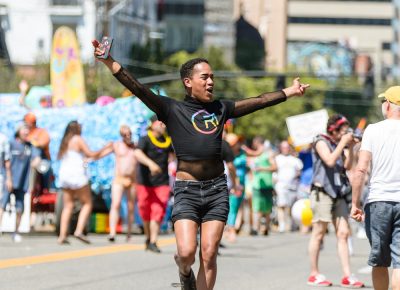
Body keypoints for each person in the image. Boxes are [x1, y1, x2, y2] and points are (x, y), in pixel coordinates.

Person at [93, 39, 309, 290]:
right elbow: (137, 87)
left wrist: (289, 92)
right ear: (188, 82)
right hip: (187, 191)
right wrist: (108, 60)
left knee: (208, 253)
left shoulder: (221, 109)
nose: (210, 82)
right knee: (186, 253)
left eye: (212, 77)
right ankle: (185, 273)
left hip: (217, 191)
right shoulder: (171, 109)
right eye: (204, 77)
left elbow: (259, 100)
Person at [351, 87, 400, 290]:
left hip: (378, 201)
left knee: (379, 260)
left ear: (388, 104)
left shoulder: (373, 129)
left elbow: (361, 169)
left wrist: (355, 204)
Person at [307, 114, 364, 288]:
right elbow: (330, 161)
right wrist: (342, 143)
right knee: (319, 233)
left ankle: (347, 275)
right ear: (334, 129)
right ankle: (314, 273)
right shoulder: (320, 141)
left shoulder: (339, 144)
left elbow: (347, 166)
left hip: (338, 192)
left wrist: (352, 148)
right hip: (322, 192)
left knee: (344, 233)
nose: (346, 133)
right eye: (344, 130)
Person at [57, 121, 111, 244]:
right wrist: (106, 147)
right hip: (77, 173)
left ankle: (62, 235)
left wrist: (106, 151)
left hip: (65, 174)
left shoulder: (66, 141)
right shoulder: (77, 139)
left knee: (68, 206)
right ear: (76, 128)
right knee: (87, 203)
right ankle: (79, 230)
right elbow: (91, 153)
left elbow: (89, 157)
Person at [134, 115, 172, 253]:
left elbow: (177, 156)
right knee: (145, 209)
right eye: (161, 122)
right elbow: (137, 153)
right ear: (152, 124)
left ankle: (153, 240)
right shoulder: (145, 139)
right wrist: (150, 164)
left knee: (158, 210)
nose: (163, 125)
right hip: (144, 181)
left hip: (162, 182)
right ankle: (148, 237)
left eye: (165, 123)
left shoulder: (168, 141)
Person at [0, 125, 41, 242]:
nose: (26, 131)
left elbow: (36, 159)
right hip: (9, 180)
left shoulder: (30, 146)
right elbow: (5, 161)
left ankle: (16, 232)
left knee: (20, 208)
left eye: (28, 129)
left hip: (22, 182)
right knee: (2, 205)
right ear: (18, 131)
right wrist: (8, 179)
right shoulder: (10, 143)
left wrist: (36, 161)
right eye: (24, 129)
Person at [99, 125, 137, 242]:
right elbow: (102, 153)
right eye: (125, 134)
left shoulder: (135, 146)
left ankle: (129, 233)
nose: (128, 136)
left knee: (131, 207)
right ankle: (112, 232)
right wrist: (90, 158)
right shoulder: (117, 145)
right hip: (119, 178)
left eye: (129, 133)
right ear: (121, 135)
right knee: (115, 204)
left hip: (132, 180)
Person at [274, 141, 303, 233]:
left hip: (292, 186)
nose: (285, 149)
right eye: (283, 147)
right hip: (280, 185)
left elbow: (300, 170)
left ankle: (291, 224)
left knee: (291, 206)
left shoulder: (294, 160)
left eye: (287, 147)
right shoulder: (277, 158)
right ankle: (282, 224)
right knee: (281, 205)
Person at [251, 137, 276, 235]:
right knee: (256, 207)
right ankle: (255, 228)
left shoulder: (268, 154)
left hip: (267, 184)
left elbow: (275, 167)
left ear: (257, 143)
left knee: (267, 208)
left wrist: (262, 168)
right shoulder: (255, 155)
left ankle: (266, 228)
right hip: (256, 185)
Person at [0, 132, 12, 234]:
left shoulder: (3, 139)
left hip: (0, 175)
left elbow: (7, 161)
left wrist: (8, 178)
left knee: (1, 203)